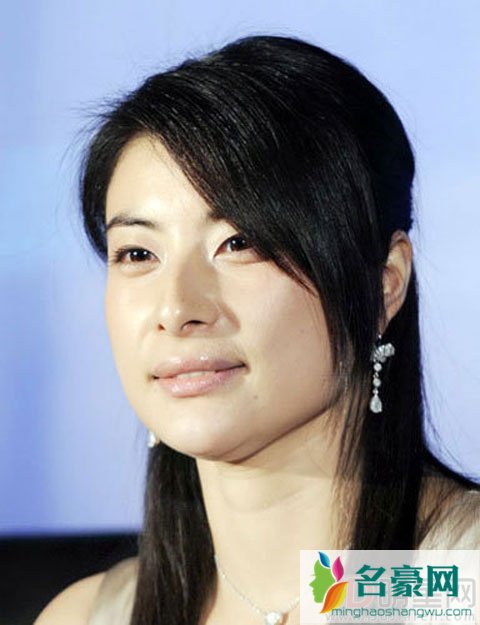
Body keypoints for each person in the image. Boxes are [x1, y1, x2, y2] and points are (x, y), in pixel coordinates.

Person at [35, 34, 480, 625]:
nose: (177, 308)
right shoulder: (88, 615)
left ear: (383, 284)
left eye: (239, 243)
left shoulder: (455, 588)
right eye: (138, 253)